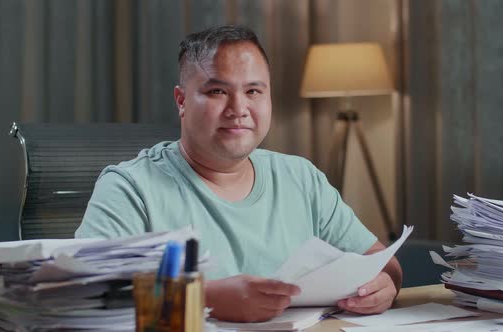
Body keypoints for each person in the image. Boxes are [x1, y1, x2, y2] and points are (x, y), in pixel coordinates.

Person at [75, 25, 402, 323]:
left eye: (253, 91)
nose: (239, 108)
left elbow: (382, 263)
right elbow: (82, 297)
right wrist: (206, 298)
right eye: (217, 92)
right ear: (181, 100)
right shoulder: (130, 188)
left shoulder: (300, 177)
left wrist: (384, 285)